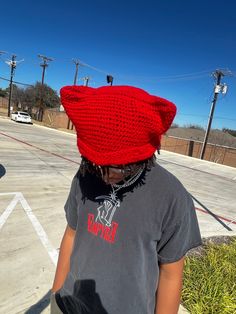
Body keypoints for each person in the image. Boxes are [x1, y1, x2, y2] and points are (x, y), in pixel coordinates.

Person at [51, 85, 202, 314]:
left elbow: (171, 274)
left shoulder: (172, 196)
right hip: (69, 305)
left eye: (119, 168)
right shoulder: (84, 176)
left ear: (144, 156)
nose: (107, 175)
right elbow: (71, 234)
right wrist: (56, 294)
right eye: (96, 165)